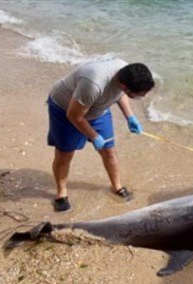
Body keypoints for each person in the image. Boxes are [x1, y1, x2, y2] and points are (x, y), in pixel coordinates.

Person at [47, 58, 155, 212]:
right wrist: (94, 136)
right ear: (125, 86)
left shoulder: (124, 70)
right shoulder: (93, 84)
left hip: (97, 110)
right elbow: (74, 116)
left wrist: (130, 116)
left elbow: (120, 94)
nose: (142, 97)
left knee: (109, 151)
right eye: (139, 95)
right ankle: (61, 194)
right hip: (66, 109)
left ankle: (116, 186)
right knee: (65, 154)